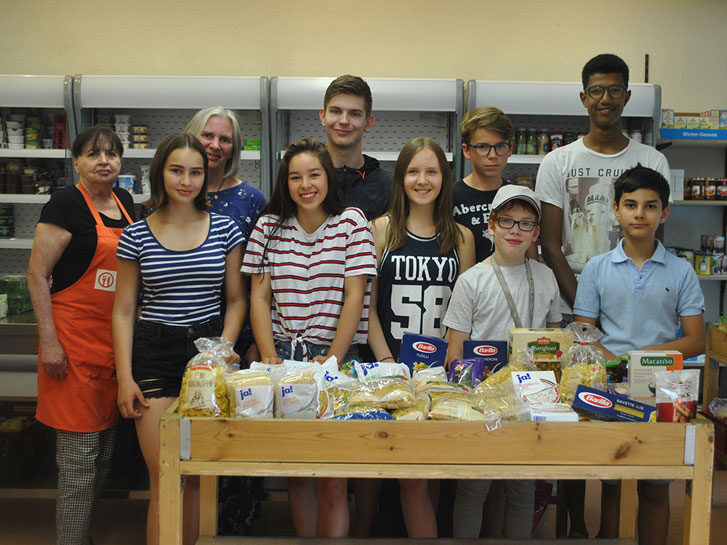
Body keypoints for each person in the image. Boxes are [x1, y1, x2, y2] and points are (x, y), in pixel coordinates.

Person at [535, 53, 671, 537]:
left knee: (619, 431)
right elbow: (550, 245)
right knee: (574, 422)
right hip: (575, 313)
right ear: (583, 98)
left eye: (615, 90)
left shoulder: (651, 160)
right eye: (597, 90)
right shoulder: (559, 162)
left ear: (627, 97)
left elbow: (655, 237)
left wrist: (613, 311)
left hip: (633, 320)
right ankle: (571, 527)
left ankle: (609, 531)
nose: (606, 99)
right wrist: (585, 314)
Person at [112, 133, 246, 545]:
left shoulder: (225, 229)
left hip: (206, 355)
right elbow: (121, 310)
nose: (186, 180)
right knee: (167, 475)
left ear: (206, 176)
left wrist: (221, 351)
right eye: (176, 170)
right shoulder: (135, 235)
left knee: (199, 473)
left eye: (195, 172)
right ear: (160, 173)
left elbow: (237, 300)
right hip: (153, 354)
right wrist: (124, 378)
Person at [241, 137, 377, 537]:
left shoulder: (352, 222)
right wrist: (268, 354)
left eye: (314, 175)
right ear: (286, 182)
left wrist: (333, 357)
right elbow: (260, 296)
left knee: (334, 476)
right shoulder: (268, 227)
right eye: (295, 177)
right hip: (283, 358)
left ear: (328, 178)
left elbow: (356, 294)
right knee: (297, 474)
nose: (305, 185)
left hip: (336, 359)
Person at [573, 165, 705, 545]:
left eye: (650, 206)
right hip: (610, 385)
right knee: (612, 480)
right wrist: (617, 361)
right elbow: (584, 332)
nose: (640, 214)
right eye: (630, 205)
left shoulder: (681, 271)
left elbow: (695, 340)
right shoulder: (596, 268)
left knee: (655, 484)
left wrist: (644, 357)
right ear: (616, 210)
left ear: (664, 213)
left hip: (662, 389)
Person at [27, 126, 134, 545]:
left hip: (111, 349)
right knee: (77, 462)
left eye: (111, 153)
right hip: (71, 351)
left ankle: (81, 535)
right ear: (76, 161)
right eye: (93, 154)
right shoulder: (66, 203)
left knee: (102, 456)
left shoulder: (125, 203)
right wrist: (49, 343)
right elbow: (37, 275)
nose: (103, 161)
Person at [367, 137, 475, 538]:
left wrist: (446, 366)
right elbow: (368, 306)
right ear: (401, 178)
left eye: (431, 171)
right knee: (401, 474)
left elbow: (463, 313)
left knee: (435, 471)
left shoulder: (462, 238)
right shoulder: (381, 230)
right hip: (390, 367)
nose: (422, 180)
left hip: (441, 372)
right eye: (414, 171)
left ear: (444, 179)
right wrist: (384, 362)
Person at [442, 184, 561, 540]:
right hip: (483, 399)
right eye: (507, 221)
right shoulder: (471, 280)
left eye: (526, 224)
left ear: (536, 233)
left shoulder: (545, 276)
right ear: (490, 226)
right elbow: (454, 352)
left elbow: (556, 342)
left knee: (523, 488)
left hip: (532, 398)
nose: (515, 230)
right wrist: (466, 398)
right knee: (473, 487)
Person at [186, 106, 267, 535]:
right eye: (208, 136)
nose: (215, 145)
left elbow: (260, 277)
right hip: (184, 330)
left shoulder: (251, 200)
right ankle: (192, 525)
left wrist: (252, 340)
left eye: (224, 139)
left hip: (237, 336)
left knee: (236, 431)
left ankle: (236, 529)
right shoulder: (179, 190)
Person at [320, 74, 392, 221]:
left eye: (354, 114)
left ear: (368, 123)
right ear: (323, 116)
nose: (344, 121)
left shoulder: (388, 187)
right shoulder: (305, 180)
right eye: (336, 111)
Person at [453, 106, 514, 262]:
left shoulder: (517, 196)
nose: (492, 155)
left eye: (500, 146)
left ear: (510, 148)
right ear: (467, 150)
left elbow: (530, 256)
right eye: (482, 147)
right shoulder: (450, 196)